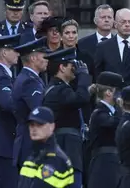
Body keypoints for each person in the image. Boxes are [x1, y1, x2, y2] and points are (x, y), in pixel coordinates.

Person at [42, 47, 92, 188]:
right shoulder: (60, 90)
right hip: (66, 148)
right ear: (62, 68)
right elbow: (81, 98)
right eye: (72, 66)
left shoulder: (57, 88)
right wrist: (83, 77)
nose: (75, 69)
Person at [0, 34, 22, 188]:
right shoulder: (1, 77)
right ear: (4, 53)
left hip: (4, 143)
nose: (18, 53)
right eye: (15, 49)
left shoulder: (2, 74)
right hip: (4, 144)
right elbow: (8, 104)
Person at [12, 37, 49, 169]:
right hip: (30, 143)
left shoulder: (29, 78)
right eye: (44, 57)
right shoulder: (29, 81)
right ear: (33, 58)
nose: (47, 60)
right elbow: (39, 110)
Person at [18, 106, 75, 188]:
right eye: (32, 125)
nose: (34, 129)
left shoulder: (57, 159)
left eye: (40, 124)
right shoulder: (33, 155)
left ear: (52, 126)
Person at [87, 72, 124, 188]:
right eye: (118, 91)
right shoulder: (99, 113)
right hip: (103, 166)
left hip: (115, 165)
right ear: (109, 93)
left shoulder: (114, 112)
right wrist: (123, 109)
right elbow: (116, 124)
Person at [94, 8, 130, 82]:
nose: (127, 25)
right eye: (123, 22)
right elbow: (98, 75)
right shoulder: (103, 47)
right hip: (110, 91)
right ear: (115, 24)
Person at [77, 4, 115, 79]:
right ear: (95, 20)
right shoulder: (82, 44)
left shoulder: (119, 43)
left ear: (113, 21)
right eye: (103, 17)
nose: (106, 20)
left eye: (109, 17)